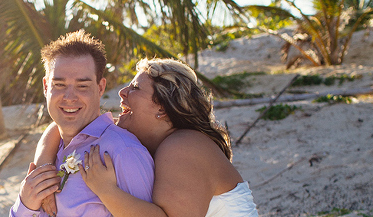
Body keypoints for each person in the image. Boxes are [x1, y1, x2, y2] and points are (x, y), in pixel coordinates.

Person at [35, 58, 259, 217]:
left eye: (134, 88)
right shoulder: (151, 140)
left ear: (161, 107)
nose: (122, 93)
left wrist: (106, 191)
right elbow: (58, 127)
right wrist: (44, 169)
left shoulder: (183, 146)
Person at [10, 30, 155, 217]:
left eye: (82, 86)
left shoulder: (122, 151)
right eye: (59, 85)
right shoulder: (51, 150)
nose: (69, 97)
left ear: (100, 87)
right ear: (46, 87)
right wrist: (25, 205)